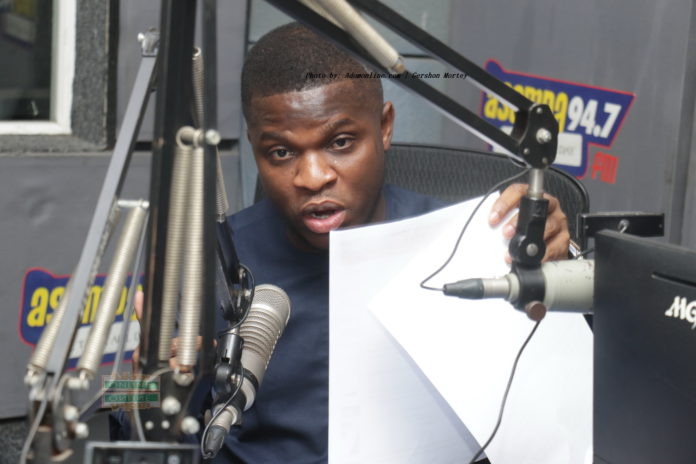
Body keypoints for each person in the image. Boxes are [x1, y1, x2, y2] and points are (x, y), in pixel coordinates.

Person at [207, 22, 570, 463]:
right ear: (254, 148)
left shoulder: (466, 247)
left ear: (384, 127)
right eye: (281, 152)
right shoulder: (210, 261)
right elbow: (137, 406)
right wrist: (145, 380)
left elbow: (558, 409)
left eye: (341, 143)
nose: (313, 178)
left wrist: (557, 265)